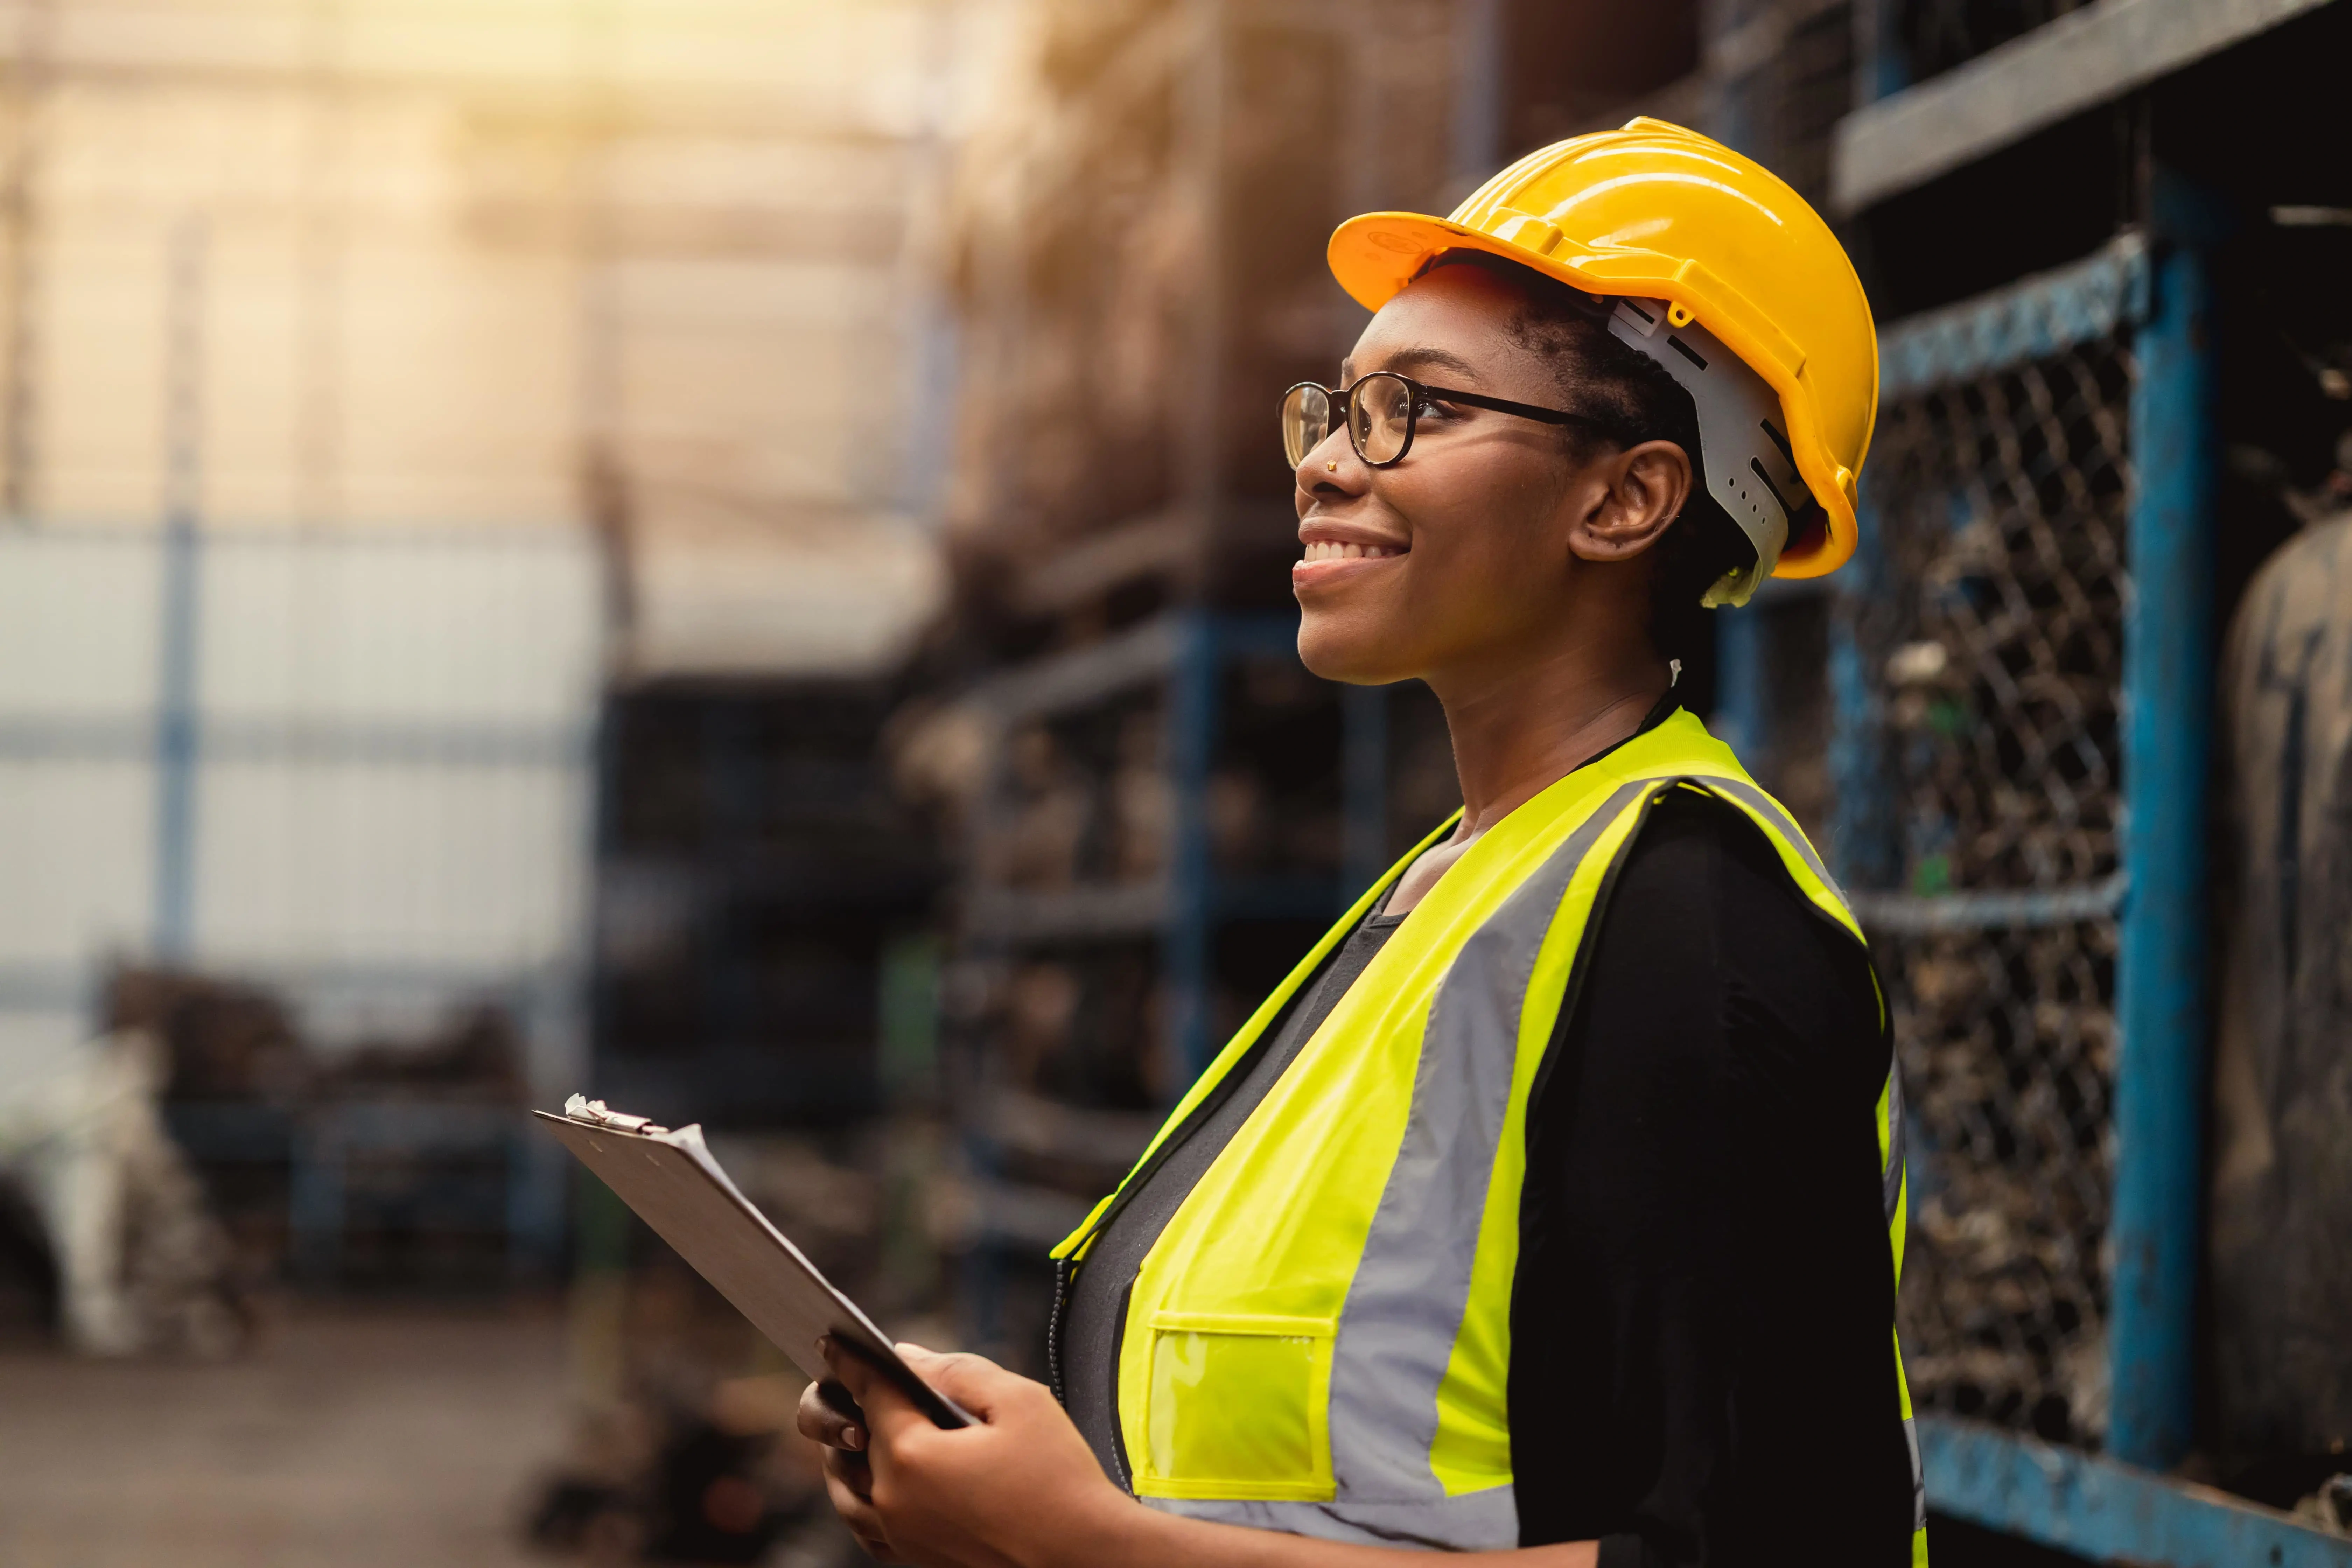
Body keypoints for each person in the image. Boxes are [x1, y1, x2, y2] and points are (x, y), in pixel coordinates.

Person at [801, 118, 1924, 1568]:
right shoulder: (1462, 888)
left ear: (1627, 498)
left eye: (1421, 410)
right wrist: (1019, 1488)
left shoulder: (1685, 932)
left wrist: (1087, 1545)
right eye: (1335, 407)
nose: (1330, 462)